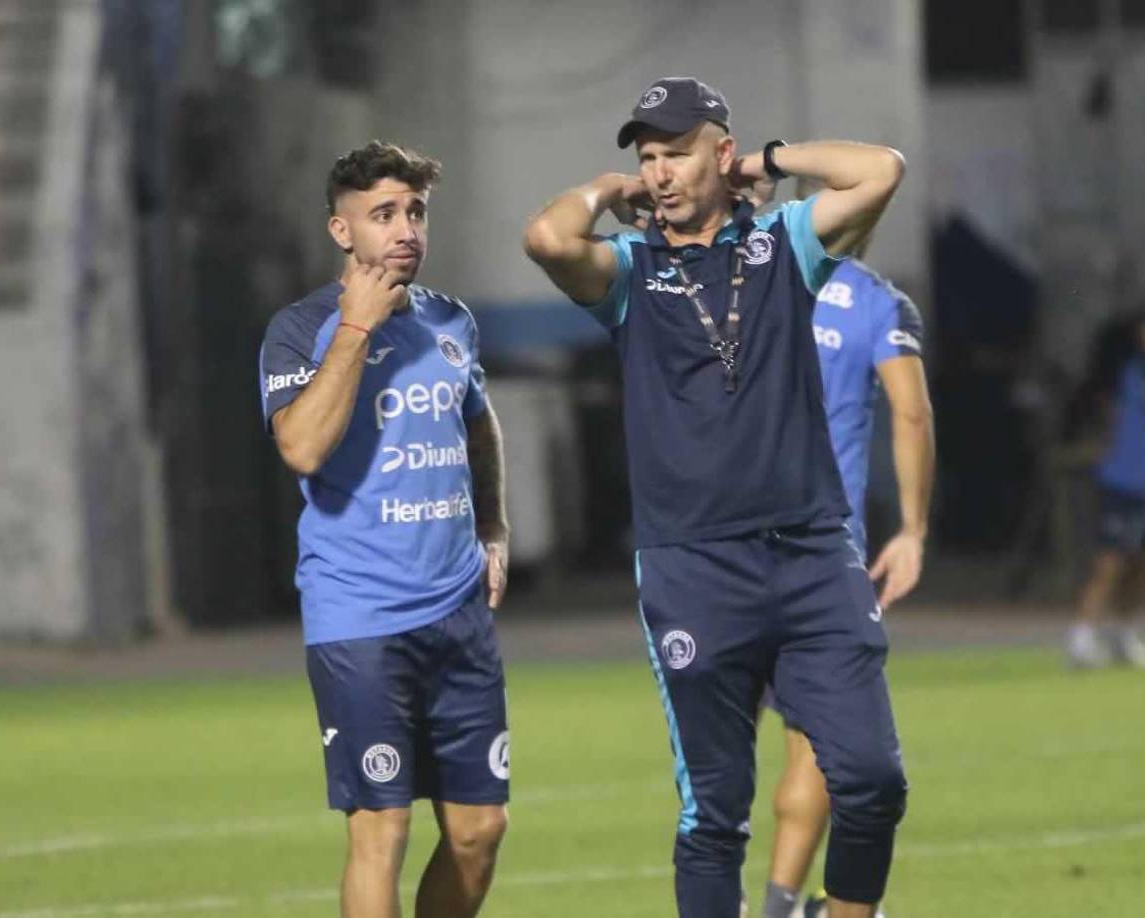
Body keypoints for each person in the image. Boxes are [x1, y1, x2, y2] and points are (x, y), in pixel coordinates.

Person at [524, 77, 908, 918]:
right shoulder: (630, 269)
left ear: (720, 153)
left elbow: (879, 169)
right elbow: (547, 237)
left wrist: (769, 160)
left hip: (811, 554)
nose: (658, 172)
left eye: (676, 153)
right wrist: (609, 190)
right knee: (715, 814)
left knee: (874, 778)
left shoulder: (783, 245)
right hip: (692, 566)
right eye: (647, 157)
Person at [258, 142, 511, 918]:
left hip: (459, 616)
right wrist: (356, 330)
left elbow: (478, 426)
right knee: (383, 831)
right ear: (342, 231)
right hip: (361, 620)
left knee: (479, 832)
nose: (405, 229)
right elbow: (300, 446)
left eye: (415, 212)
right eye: (383, 214)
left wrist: (494, 527)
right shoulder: (301, 330)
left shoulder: (449, 320)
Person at [763, 233, 935, 918]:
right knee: (822, 742)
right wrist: (914, 529)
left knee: (717, 755)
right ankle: (783, 907)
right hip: (821, 553)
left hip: (718, 547)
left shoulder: (735, 285)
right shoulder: (877, 303)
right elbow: (912, 412)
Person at [1067, 298, 1145, 669]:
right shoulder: (1140, 369)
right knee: (1110, 561)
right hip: (1122, 481)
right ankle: (1081, 639)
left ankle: (1122, 634)